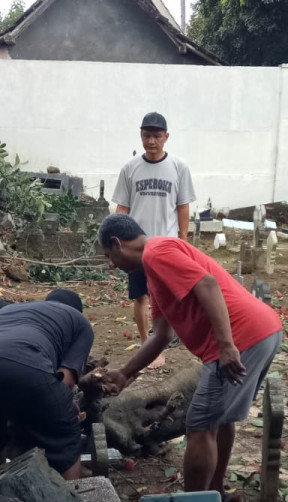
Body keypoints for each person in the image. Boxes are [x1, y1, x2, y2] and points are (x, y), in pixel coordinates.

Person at [99, 214, 282, 501]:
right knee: (219, 419)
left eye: (109, 256)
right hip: (263, 330)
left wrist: (226, 344)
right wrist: (125, 373)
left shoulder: (156, 251)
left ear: (117, 244)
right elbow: (161, 335)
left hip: (241, 336)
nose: (112, 264)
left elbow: (207, 284)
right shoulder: (154, 273)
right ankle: (215, 492)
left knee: (199, 425)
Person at [0, 289, 93, 480]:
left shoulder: (13, 310)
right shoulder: (80, 323)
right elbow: (66, 380)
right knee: (64, 438)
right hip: (22, 364)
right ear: (76, 310)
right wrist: (59, 408)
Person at [111, 112, 197, 370]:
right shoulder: (130, 168)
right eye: (147, 135)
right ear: (141, 135)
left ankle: (171, 337)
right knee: (141, 297)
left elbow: (183, 206)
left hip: (168, 245)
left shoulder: (179, 167)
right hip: (137, 248)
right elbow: (122, 208)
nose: (151, 141)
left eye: (157, 136)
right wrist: (116, 244)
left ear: (166, 137)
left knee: (171, 295)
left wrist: (184, 239)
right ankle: (147, 343)